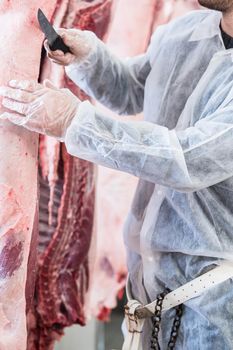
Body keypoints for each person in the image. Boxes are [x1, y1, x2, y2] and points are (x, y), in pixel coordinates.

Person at [1, 0, 233, 348]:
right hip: (149, 294)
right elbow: (131, 90)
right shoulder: (189, 32)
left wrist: (73, 122)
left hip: (214, 302)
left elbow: (186, 158)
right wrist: (88, 59)